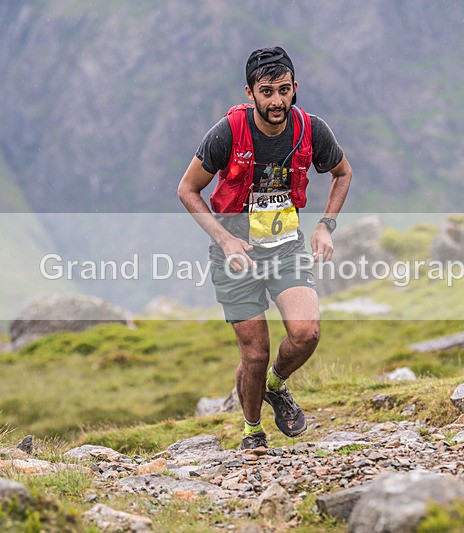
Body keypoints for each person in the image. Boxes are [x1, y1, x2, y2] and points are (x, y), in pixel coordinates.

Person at [177, 46, 352, 450]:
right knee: (254, 354)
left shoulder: (311, 129)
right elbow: (187, 189)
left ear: (295, 89)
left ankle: (276, 386)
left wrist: (326, 225)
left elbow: (342, 173)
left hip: (285, 249)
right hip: (234, 256)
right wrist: (224, 239)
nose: (277, 101)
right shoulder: (227, 133)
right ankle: (252, 431)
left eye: (284, 90)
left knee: (306, 333)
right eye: (268, 91)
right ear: (251, 92)